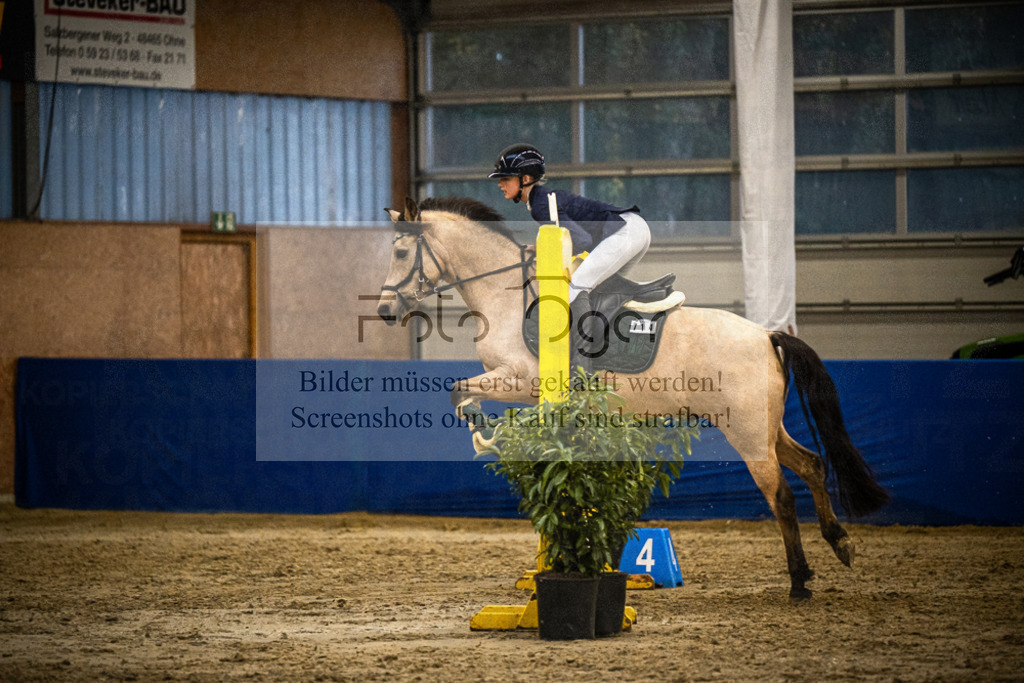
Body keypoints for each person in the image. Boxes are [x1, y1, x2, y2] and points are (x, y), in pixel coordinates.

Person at [488, 143, 651, 372]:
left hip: (624, 233)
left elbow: (580, 241)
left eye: (506, 178)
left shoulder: (541, 204)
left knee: (573, 288)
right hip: (632, 230)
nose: (500, 184)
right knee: (598, 290)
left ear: (525, 179)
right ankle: (608, 351)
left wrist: (542, 249)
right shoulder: (540, 200)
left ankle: (582, 369)